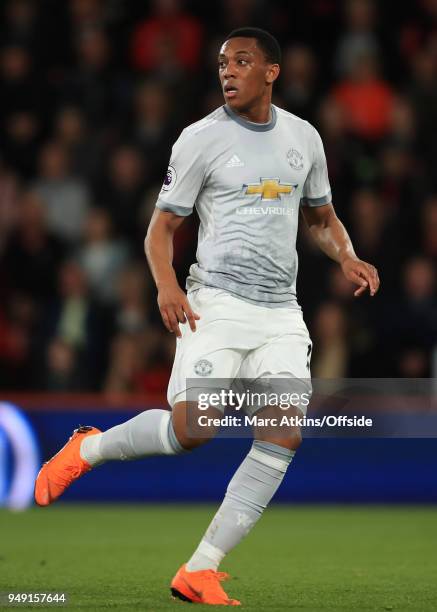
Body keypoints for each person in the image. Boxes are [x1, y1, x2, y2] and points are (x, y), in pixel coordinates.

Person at [34, 27, 380, 606]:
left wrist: (346, 255)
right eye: (223, 62)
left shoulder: (305, 138)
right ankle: (88, 449)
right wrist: (168, 286)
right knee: (194, 430)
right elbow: (160, 229)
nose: (228, 71)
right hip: (215, 304)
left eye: (242, 61)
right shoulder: (199, 140)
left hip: (280, 313)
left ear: (271, 71)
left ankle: (201, 567)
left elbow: (320, 216)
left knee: (284, 431)